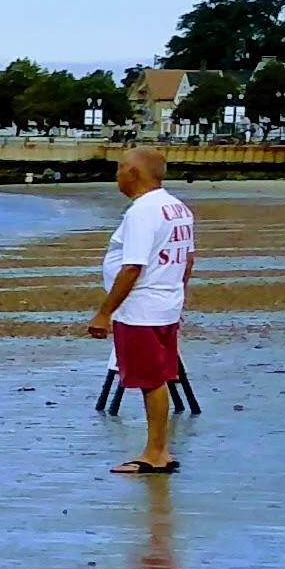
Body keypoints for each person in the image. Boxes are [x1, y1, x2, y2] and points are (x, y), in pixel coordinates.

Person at [93, 148, 197, 475]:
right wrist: (174, 293)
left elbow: (132, 267)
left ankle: (156, 452)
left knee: (150, 380)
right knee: (160, 377)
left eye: (120, 170)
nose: (117, 176)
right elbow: (187, 260)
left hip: (141, 309)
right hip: (165, 303)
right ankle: (158, 449)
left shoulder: (142, 212)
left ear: (133, 173)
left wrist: (103, 313)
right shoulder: (178, 208)